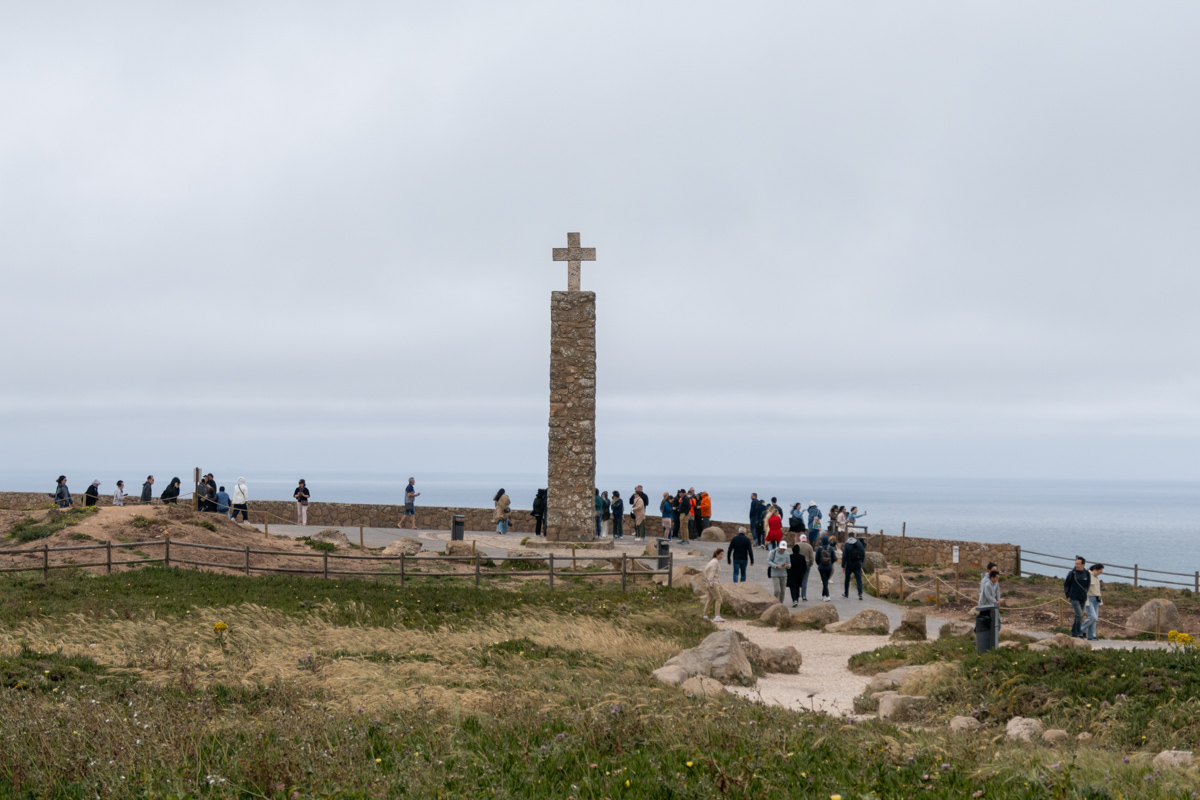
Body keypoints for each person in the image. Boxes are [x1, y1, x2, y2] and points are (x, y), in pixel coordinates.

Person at [1063, 556, 1091, 639]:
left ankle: (1074, 632)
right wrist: (1068, 595)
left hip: (1082, 597)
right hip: (1073, 596)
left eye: (1078, 564)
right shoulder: (1072, 573)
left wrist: (1085, 593)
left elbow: (1088, 585)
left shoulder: (1087, 573)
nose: (1076, 565)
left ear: (1083, 564)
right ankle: (1078, 631)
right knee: (1080, 614)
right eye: (1076, 563)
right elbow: (1066, 584)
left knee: (1078, 616)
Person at [702, 549, 726, 623]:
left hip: (709, 582)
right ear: (717, 554)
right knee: (719, 599)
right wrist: (711, 582)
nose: (722, 556)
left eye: (722, 554)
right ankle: (717, 616)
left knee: (710, 599)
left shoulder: (713, 561)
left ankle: (705, 615)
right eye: (721, 554)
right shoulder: (715, 562)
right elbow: (711, 572)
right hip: (713, 583)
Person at [842, 534, 865, 600]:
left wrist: (843, 565)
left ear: (848, 536)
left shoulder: (847, 544)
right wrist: (861, 562)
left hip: (849, 564)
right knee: (858, 579)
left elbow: (844, 556)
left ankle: (846, 593)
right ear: (854, 537)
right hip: (858, 563)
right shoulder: (859, 544)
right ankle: (860, 594)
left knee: (847, 579)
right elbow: (863, 553)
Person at [1085, 564, 1104, 641]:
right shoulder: (1087, 575)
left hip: (1096, 599)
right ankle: (1081, 629)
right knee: (1093, 617)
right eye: (1099, 571)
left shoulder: (1096, 578)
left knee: (1095, 619)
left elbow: (1098, 590)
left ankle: (1092, 635)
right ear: (1095, 569)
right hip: (1089, 598)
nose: (1100, 573)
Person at [815, 535, 836, 602]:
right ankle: (823, 595)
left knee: (824, 581)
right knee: (825, 581)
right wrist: (830, 563)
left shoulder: (819, 548)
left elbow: (816, 559)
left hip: (821, 567)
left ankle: (827, 596)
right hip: (829, 567)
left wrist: (819, 564)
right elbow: (834, 558)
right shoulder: (831, 548)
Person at [794, 534, 815, 602]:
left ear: (800, 539)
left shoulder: (797, 545)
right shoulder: (809, 546)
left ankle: (797, 594)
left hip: (798, 564)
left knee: (797, 579)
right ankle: (804, 595)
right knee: (804, 580)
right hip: (807, 564)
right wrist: (810, 564)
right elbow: (812, 557)